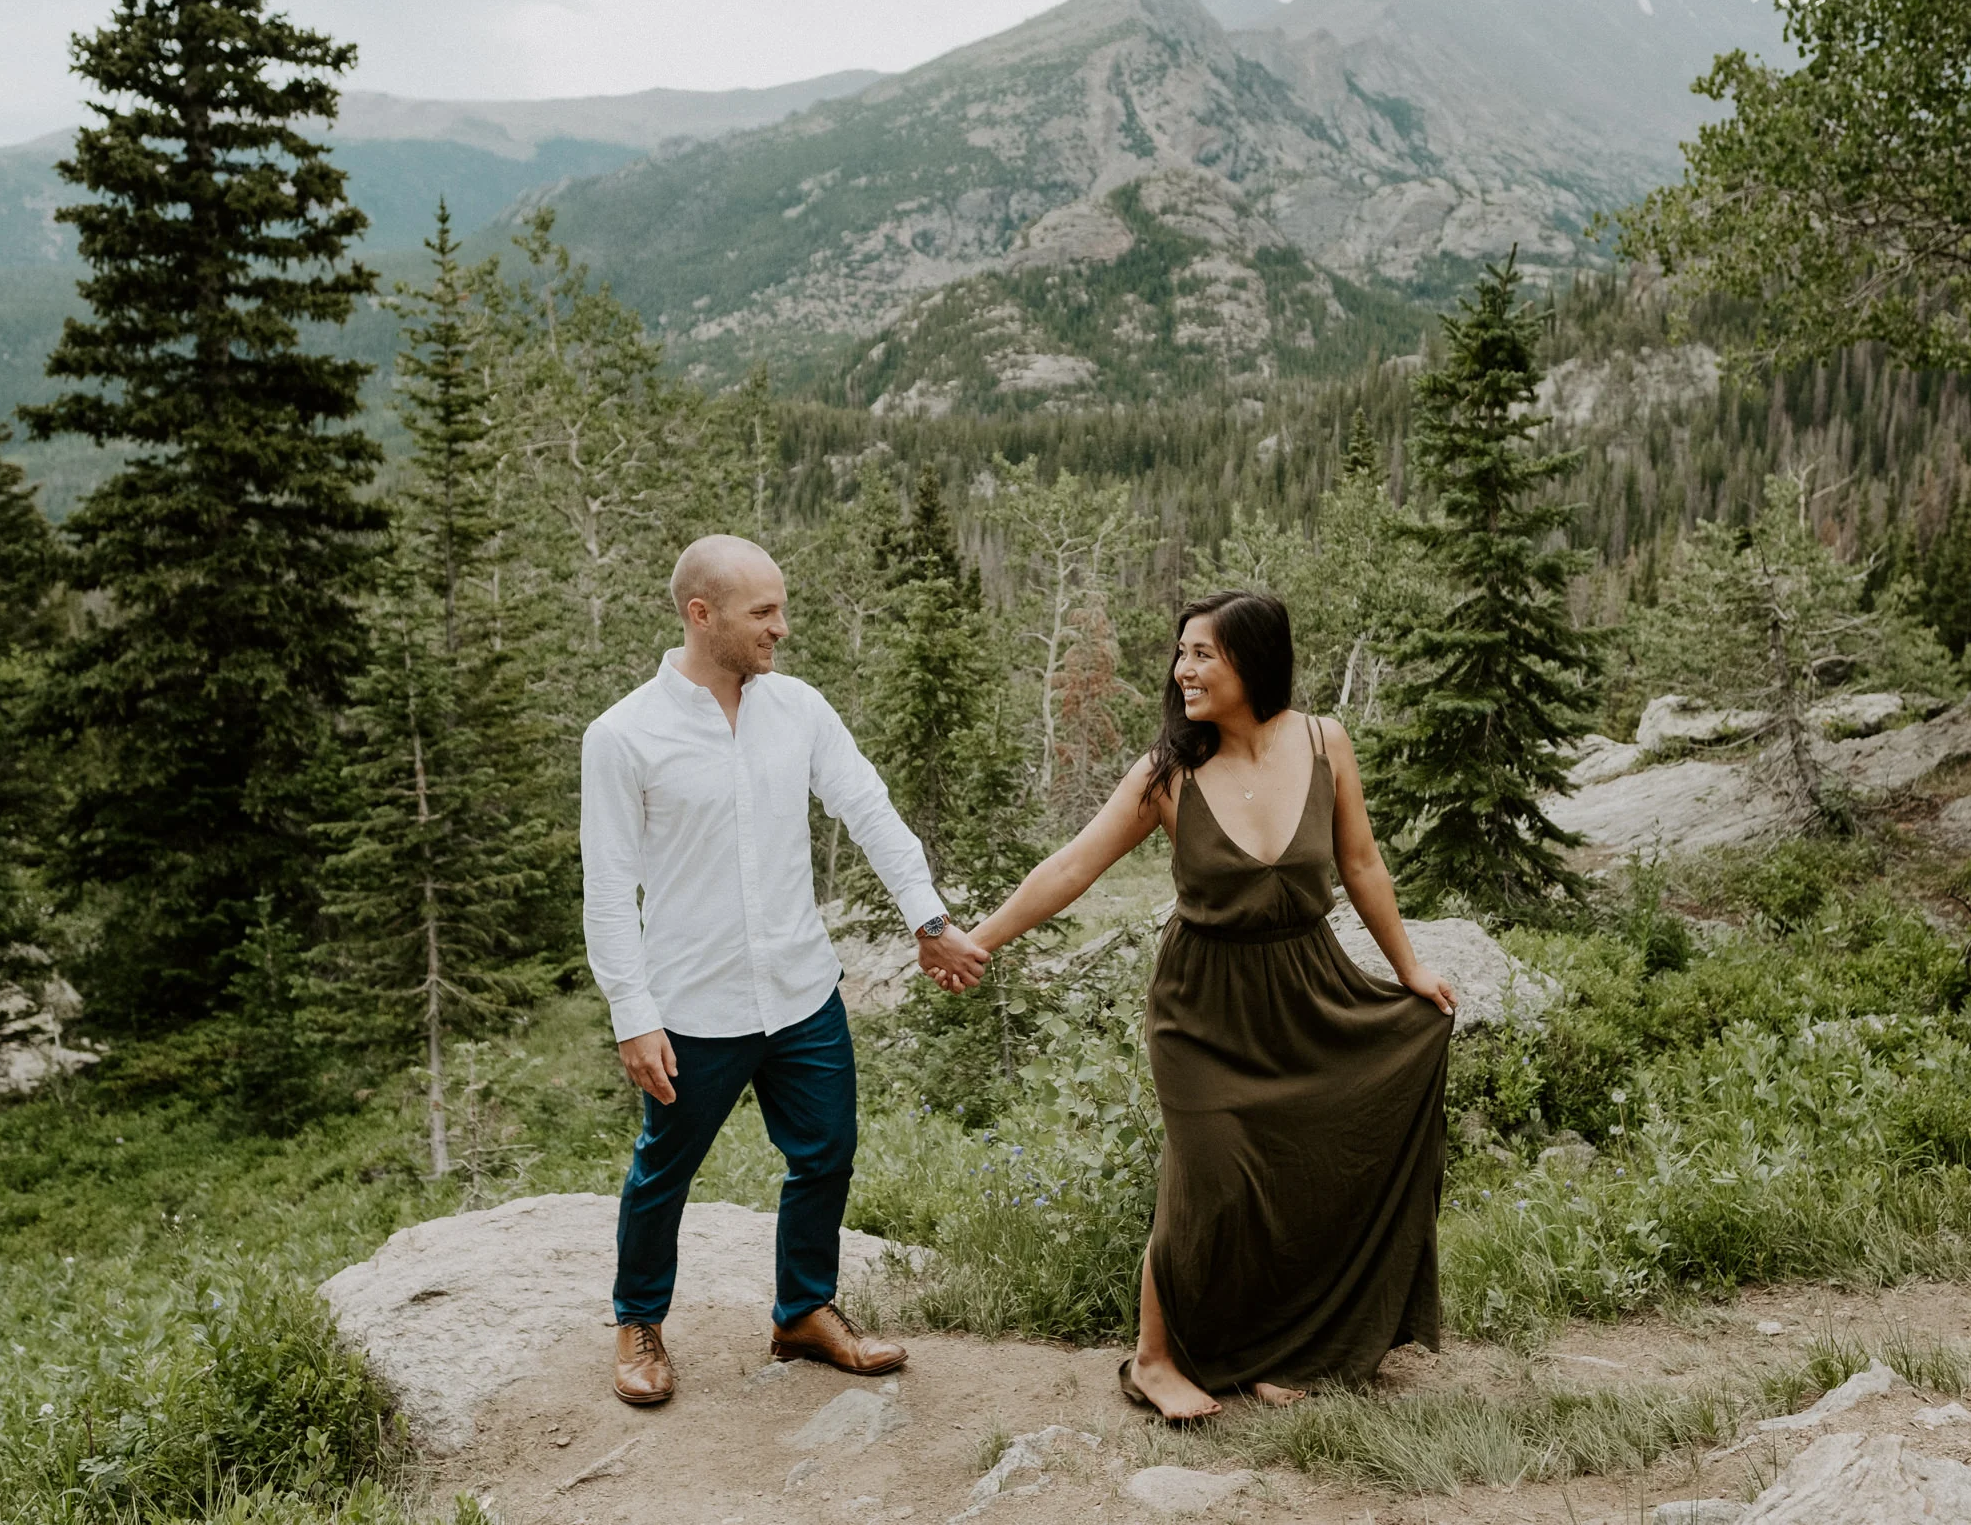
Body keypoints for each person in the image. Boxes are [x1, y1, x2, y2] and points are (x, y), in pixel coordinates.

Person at [966, 590, 1457, 1421]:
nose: (1182, 670)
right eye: (1181, 653)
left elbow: (1363, 864)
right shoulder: (1166, 773)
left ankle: (1273, 1348)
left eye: (1203, 654)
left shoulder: (1324, 741)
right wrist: (978, 939)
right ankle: (1155, 1359)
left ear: (1253, 662)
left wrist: (1409, 970)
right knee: (1211, 1176)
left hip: (1309, 989)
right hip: (1202, 1004)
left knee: (1299, 1172)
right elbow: (1070, 867)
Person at [580, 534, 992, 1406]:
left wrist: (928, 919)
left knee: (827, 1152)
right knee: (666, 1170)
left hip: (802, 991)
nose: (782, 627)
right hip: (692, 1002)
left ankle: (803, 1310)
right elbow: (610, 888)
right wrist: (631, 1012)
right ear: (703, 615)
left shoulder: (798, 708)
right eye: (763, 612)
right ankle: (638, 1321)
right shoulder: (622, 736)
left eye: (781, 607)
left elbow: (869, 809)